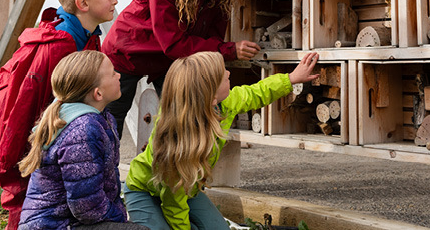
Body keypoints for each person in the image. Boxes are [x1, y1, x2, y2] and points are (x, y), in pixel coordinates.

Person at [0, 0, 118, 230]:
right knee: (27, 199)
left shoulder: (88, 37)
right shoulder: (59, 46)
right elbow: (27, 109)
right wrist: (16, 160)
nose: (115, 1)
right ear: (82, 3)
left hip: (56, 143)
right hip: (32, 142)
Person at [124, 50, 320, 230]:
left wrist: (291, 79)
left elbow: (255, 93)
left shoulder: (224, 104)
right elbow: (174, 205)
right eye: (222, 75)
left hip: (186, 188)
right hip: (144, 190)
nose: (228, 73)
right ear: (210, 97)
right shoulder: (176, 143)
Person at [102, 0, 261, 137]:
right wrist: (228, 50)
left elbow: (213, 35)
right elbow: (173, 43)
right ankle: (103, 159)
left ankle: (170, 159)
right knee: (110, 121)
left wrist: (218, 54)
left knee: (184, 120)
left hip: (170, 60)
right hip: (128, 51)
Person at [17, 51, 147, 230]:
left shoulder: (100, 117)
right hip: (55, 225)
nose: (119, 75)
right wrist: (121, 220)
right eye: (112, 73)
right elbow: (87, 208)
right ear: (98, 94)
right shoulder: (83, 130)